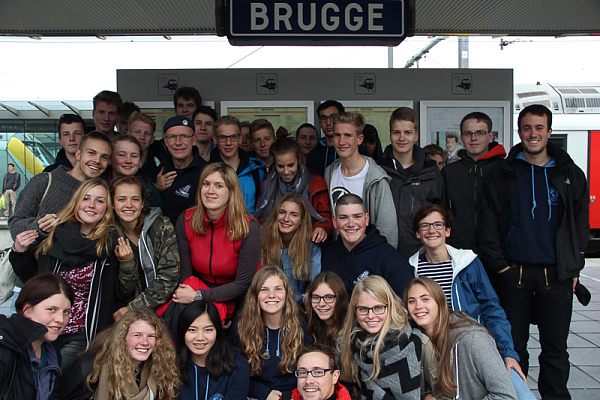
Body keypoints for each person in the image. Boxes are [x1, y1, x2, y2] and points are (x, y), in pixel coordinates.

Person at [479, 104, 589, 399]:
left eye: (539, 128)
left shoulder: (570, 174)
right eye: (527, 128)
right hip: (513, 275)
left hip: (557, 276)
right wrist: (500, 266)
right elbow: (487, 222)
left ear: (550, 132)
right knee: (513, 348)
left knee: (555, 351)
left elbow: (580, 225)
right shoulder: (502, 173)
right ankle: (515, 397)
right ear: (519, 132)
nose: (533, 134)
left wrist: (573, 267)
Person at [9, 178, 134, 369]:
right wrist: (19, 251)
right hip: (43, 328)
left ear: (107, 208)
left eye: (100, 201)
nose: (91, 205)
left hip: (83, 333)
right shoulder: (55, 235)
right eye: (86, 198)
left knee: (53, 375)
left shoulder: (111, 243)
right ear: (76, 202)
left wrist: (127, 263)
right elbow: (33, 280)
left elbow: (123, 292)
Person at [408, 204, 526, 384]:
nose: (432, 230)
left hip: (470, 342)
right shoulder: (411, 268)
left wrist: (507, 351)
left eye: (438, 225)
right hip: (431, 348)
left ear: (447, 231)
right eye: (425, 225)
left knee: (518, 390)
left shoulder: (467, 263)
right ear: (418, 233)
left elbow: (491, 308)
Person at [404, 278, 518, 400]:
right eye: (412, 301)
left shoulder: (472, 339)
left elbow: (505, 396)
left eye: (425, 299)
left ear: (440, 301)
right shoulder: (418, 339)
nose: (418, 306)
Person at [173, 163, 261, 312]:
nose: (210, 191)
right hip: (198, 289)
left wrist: (203, 297)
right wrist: (209, 304)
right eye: (206, 184)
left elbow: (242, 284)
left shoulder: (248, 227)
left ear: (231, 191)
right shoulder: (186, 220)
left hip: (239, 296)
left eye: (219, 186)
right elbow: (186, 276)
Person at [10, 131, 112, 240]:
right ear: (78, 154)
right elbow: (15, 225)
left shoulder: (104, 193)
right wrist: (39, 226)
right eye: (91, 153)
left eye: (104, 157)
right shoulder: (44, 181)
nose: (97, 160)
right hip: (39, 255)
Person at [60, 307, 181, 400]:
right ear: (123, 338)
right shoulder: (91, 366)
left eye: (151, 336)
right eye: (137, 335)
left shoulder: (160, 369)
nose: (145, 342)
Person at [340, 275, 421, 400]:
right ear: (355, 311)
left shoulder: (415, 341)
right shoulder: (349, 344)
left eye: (378, 308)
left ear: (390, 306)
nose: (371, 316)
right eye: (363, 309)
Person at [237, 266, 312, 400]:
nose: (271, 295)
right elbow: (234, 374)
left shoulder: (302, 326)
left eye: (278, 289)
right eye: (264, 290)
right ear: (255, 295)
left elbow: (310, 372)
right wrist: (264, 393)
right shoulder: (241, 328)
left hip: (296, 395)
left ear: (286, 294)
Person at [378, 107, 444, 257]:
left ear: (416, 135)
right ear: (390, 134)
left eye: (408, 132)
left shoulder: (431, 171)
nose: (402, 138)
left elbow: (441, 213)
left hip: (424, 254)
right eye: (396, 132)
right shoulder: (378, 171)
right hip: (386, 254)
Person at [324, 112, 398, 247]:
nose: (341, 142)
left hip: (369, 254)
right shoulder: (330, 172)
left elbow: (388, 230)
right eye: (337, 135)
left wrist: (382, 263)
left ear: (359, 139)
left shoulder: (376, 178)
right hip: (340, 254)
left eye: (348, 135)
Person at [111, 176, 179, 321]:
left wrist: (133, 309)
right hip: (126, 307)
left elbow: (169, 278)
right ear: (112, 204)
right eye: (122, 199)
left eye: (135, 199)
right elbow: (125, 290)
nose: (129, 205)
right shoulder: (110, 234)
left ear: (142, 203)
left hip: (162, 306)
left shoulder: (161, 226)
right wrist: (127, 263)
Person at [321, 194, 412, 299]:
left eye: (357, 217)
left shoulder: (389, 258)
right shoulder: (327, 254)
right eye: (343, 218)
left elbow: (405, 303)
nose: (351, 224)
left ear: (367, 219)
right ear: (334, 221)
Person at [0, 273, 73, 399]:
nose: (60, 319)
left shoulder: (51, 353)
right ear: (27, 310)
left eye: (66, 312)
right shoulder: (5, 345)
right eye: (51, 309)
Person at [442, 111, 506, 253]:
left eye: (480, 133)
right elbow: (443, 211)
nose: (473, 138)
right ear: (462, 138)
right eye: (467, 133)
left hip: (499, 252)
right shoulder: (450, 172)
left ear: (490, 136)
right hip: (458, 252)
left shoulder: (504, 170)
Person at [255, 138, 333, 242]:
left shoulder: (315, 183)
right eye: (281, 166)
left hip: (307, 243)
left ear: (299, 160)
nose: (286, 172)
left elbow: (325, 216)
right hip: (274, 243)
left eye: (290, 165)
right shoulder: (267, 184)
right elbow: (260, 218)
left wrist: (322, 228)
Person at [176, 300, 250, 400]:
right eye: (192, 330)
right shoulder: (171, 366)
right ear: (182, 332)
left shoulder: (237, 366)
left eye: (208, 330)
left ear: (217, 332)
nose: (200, 337)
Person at [260, 194, 322, 303]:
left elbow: (315, 286)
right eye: (282, 212)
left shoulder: (312, 250)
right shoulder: (262, 241)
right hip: (268, 305)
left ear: (301, 220)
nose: (286, 219)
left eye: (294, 215)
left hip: (298, 309)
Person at [155, 115, 208, 224]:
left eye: (184, 136)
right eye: (172, 137)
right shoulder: (157, 166)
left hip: (192, 236)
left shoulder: (207, 172)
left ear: (193, 140)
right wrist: (156, 187)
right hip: (160, 238)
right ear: (165, 141)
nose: (178, 142)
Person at [209, 116, 266, 215]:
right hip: (217, 229)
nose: (228, 143)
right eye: (223, 137)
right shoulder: (205, 173)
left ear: (240, 139)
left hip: (249, 229)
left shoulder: (256, 172)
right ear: (215, 139)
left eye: (233, 137)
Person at [109, 135, 161, 207]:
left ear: (140, 161)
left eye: (134, 156)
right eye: (121, 155)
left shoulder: (150, 191)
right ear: (110, 158)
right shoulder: (96, 185)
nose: (128, 161)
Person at [305, 272, 348, 348]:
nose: (321, 304)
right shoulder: (306, 327)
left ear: (340, 299)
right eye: (316, 297)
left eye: (328, 297)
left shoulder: (352, 328)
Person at [306, 100, 344, 176]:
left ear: (342, 119)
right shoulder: (314, 154)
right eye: (323, 118)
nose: (328, 122)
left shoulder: (355, 150)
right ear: (320, 123)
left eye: (333, 117)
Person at [127, 111, 160, 181]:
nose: (142, 137)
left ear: (152, 139)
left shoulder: (160, 165)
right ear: (128, 135)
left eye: (147, 133)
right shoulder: (117, 161)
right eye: (137, 132)